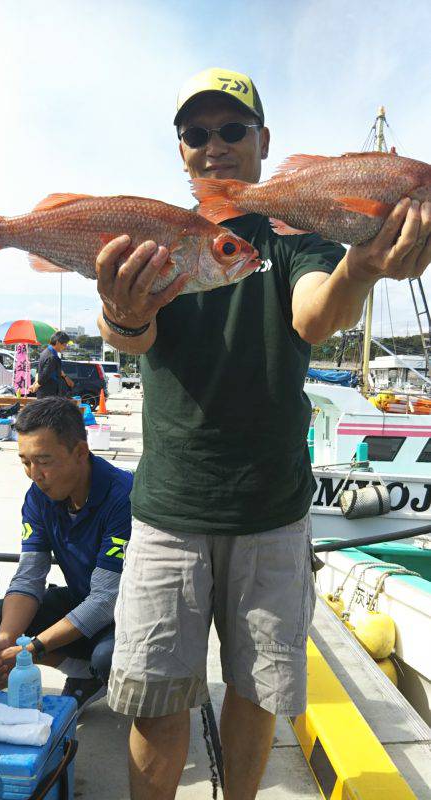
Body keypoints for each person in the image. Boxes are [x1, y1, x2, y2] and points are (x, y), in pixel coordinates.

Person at [96, 67, 431, 800]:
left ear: (262, 140)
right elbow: (133, 336)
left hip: (273, 513)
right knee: (155, 703)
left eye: (232, 130)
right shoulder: (163, 234)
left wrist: (363, 268)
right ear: (180, 149)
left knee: (255, 695)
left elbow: (315, 314)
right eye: (197, 133)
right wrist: (119, 313)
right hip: (170, 513)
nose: (214, 145)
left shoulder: (292, 234)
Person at [0, 397, 133, 715]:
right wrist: (6, 641)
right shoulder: (39, 497)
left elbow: (107, 599)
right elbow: (29, 576)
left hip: (127, 614)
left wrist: (32, 647)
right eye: (25, 461)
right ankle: (83, 676)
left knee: (108, 659)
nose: (33, 474)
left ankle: (103, 677)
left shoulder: (123, 497)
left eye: (43, 461)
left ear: (80, 452)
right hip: (83, 599)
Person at [30, 331, 74, 398]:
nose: (65, 347)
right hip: (49, 394)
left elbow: (38, 371)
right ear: (57, 343)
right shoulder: (52, 357)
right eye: (64, 345)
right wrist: (35, 387)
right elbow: (44, 376)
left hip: (44, 393)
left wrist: (35, 384)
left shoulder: (45, 352)